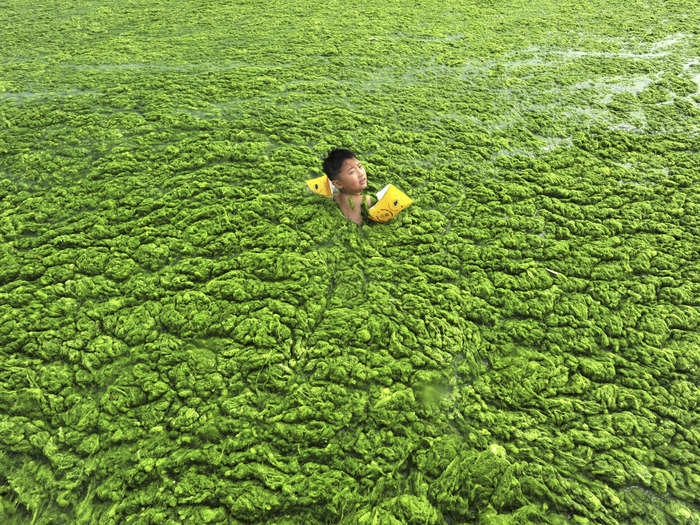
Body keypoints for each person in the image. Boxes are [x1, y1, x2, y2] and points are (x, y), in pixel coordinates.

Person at [322, 148, 372, 227]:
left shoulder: (334, 197)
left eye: (360, 166)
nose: (360, 173)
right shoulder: (366, 201)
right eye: (352, 172)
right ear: (338, 184)